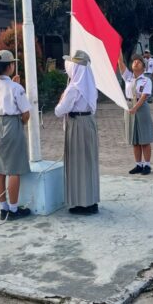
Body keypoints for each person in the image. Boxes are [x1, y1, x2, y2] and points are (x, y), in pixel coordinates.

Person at [0, 50, 32, 221]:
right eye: (13, 63)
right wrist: (21, 124)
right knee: (14, 169)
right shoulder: (16, 87)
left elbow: (2, 95)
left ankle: (3, 208)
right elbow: (26, 113)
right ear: (9, 66)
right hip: (12, 123)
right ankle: (13, 210)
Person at [54, 50, 99, 215]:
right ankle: (91, 201)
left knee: (77, 164)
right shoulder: (90, 84)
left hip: (77, 126)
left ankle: (81, 203)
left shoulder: (73, 88)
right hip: (89, 123)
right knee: (88, 163)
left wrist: (60, 100)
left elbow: (59, 111)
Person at [118, 53, 153, 175]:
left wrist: (135, 108)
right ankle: (138, 164)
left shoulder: (146, 80)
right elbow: (120, 63)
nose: (135, 63)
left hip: (141, 108)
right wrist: (118, 48)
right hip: (129, 106)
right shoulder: (128, 77)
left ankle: (147, 164)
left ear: (143, 67)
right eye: (134, 61)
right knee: (134, 139)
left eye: (139, 62)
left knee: (144, 138)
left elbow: (144, 96)